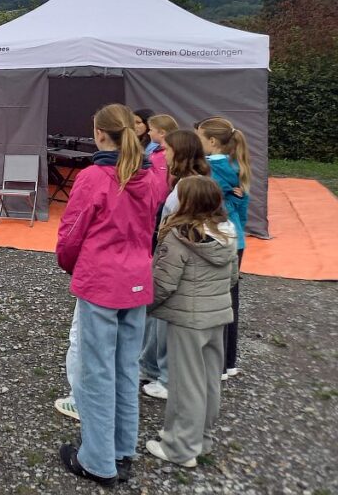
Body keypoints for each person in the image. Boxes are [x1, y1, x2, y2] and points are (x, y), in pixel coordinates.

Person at [55, 104, 160, 487]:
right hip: (137, 281)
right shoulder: (151, 177)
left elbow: (71, 234)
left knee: (96, 371)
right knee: (126, 368)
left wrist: (72, 265)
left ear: (99, 134)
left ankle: (98, 461)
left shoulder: (94, 177)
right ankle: (120, 449)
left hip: (102, 283)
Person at [145, 175, 238, 468]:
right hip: (218, 315)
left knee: (186, 384)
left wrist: (143, 308)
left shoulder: (179, 236)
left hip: (187, 320)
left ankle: (180, 447)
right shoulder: (227, 232)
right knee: (209, 381)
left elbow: (162, 284)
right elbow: (233, 277)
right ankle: (202, 439)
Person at [140, 129, 211, 400]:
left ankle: (169, 379)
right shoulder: (183, 182)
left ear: (179, 153)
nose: (164, 154)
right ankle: (150, 366)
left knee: (168, 319)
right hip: (166, 255)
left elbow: (189, 229)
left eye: (167, 150)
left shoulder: (189, 187)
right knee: (155, 315)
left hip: (176, 258)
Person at [196, 117, 251, 379]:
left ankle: (214, 365)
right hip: (236, 239)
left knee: (212, 302)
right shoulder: (237, 166)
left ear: (212, 141)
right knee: (231, 301)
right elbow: (243, 206)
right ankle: (228, 362)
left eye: (200, 137)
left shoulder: (207, 169)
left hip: (215, 236)